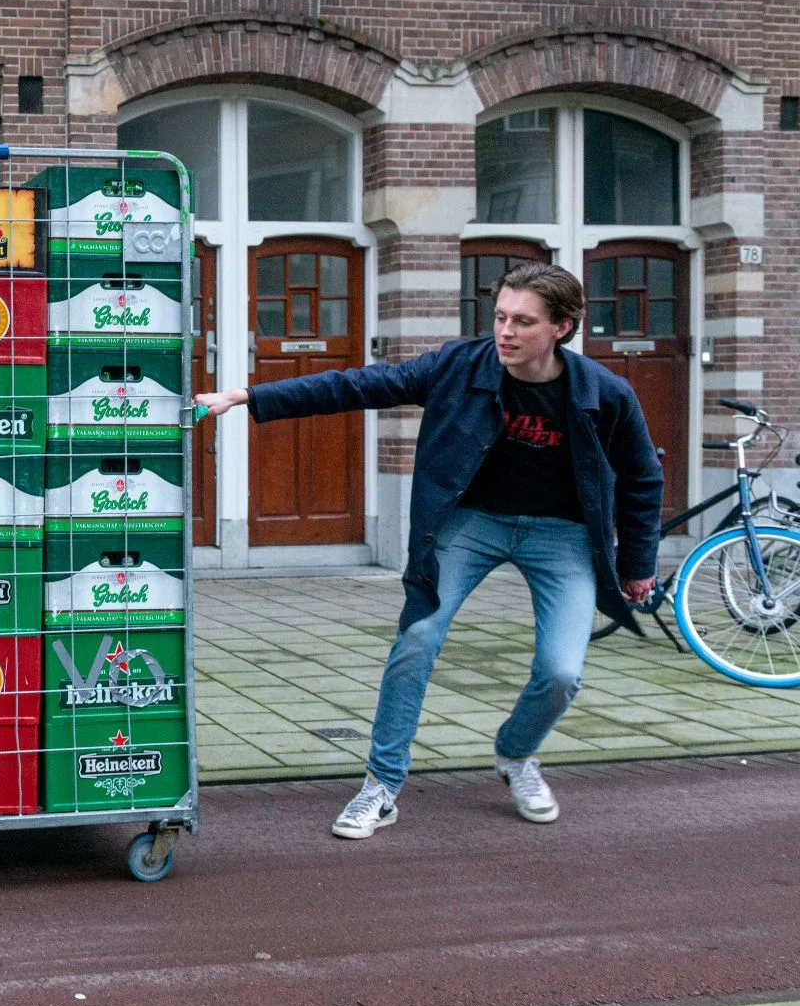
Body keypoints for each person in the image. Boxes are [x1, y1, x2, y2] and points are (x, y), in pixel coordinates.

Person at [195, 263, 661, 838]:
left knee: (562, 672)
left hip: (560, 535)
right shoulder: (458, 366)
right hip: (471, 523)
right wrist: (244, 396)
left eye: (524, 322)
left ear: (563, 327)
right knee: (417, 639)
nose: (506, 333)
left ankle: (516, 755)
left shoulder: (604, 394)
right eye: (500, 317)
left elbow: (642, 479)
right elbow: (357, 385)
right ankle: (382, 785)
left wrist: (638, 565)